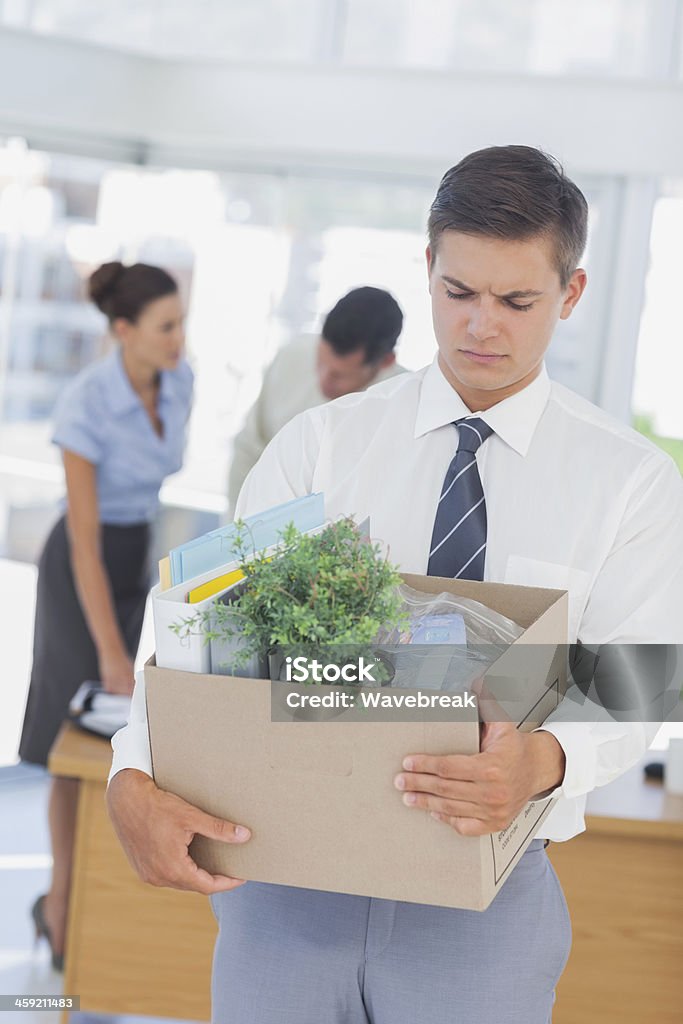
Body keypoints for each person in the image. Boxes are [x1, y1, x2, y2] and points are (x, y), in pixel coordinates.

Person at [107, 148, 682, 1023]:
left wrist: (546, 758)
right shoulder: (320, 448)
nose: (480, 326)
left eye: (516, 301)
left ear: (570, 294)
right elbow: (202, 630)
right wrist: (131, 773)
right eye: (457, 292)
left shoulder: (629, 482)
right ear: (425, 270)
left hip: (481, 898)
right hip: (284, 878)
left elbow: (643, 671)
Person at [20, 260, 193, 970]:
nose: (179, 339)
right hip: (81, 569)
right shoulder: (86, 403)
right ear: (123, 331)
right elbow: (84, 542)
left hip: (134, 557)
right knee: (71, 736)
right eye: (165, 327)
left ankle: (92, 890)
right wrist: (111, 652)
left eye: (181, 322)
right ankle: (59, 898)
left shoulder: (180, 378)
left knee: (112, 738)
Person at [227, 286, 405, 510]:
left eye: (339, 375)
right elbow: (249, 451)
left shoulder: (404, 408)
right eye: (320, 362)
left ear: (385, 362)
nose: (323, 380)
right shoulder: (292, 356)